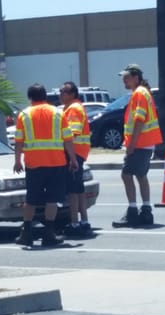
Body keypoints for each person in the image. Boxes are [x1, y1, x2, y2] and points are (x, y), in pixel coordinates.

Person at [13, 83, 79, 246]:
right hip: (56, 163)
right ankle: (49, 233)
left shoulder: (24, 115)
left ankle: (26, 233)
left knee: (31, 199)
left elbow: (19, 141)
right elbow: (68, 139)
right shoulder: (58, 113)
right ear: (45, 96)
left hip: (33, 164)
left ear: (30, 98)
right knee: (52, 200)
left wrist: (17, 161)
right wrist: (73, 159)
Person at [112, 64, 163, 227]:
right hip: (146, 143)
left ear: (136, 78)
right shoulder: (142, 92)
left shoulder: (139, 93)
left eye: (126, 77)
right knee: (141, 176)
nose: (124, 80)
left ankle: (133, 212)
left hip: (140, 144)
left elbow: (139, 120)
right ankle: (146, 211)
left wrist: (132, 144)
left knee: (126, 175)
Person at [59, 81, 93, 237]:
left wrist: (70, 156)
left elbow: (73, 133)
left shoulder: (73, 109)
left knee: (73, 190)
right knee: (78, 189)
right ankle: (84, 222)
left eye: (63, 91)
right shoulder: (74, 107)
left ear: (72, 94)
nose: (61, 94)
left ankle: (74, 224)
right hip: (79, 153)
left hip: (74, 153)